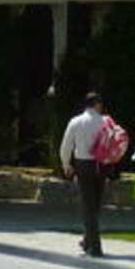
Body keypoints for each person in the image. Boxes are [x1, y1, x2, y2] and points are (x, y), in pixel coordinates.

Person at [58, 91, 109, 257]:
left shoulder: (76, 121)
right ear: (97, 104)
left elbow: (66, 145)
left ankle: (94, 245)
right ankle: (89, 240)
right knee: (96, 204)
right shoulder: (105, 122)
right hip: (100, 164)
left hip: (83, 164)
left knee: (88, 204)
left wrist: (66, 163)